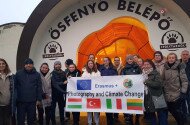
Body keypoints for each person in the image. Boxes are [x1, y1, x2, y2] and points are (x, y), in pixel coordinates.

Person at [163, 53, 188, 125]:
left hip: (177, 93)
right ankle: (182, 121)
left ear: (175, 59)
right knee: (171, 110)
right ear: (167, 59)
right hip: (168, 94)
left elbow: (184, 81)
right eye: (169, 58)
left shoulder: (180, 67)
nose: (171, 59)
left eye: (172, 58)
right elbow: (163, 79)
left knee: (177, 111)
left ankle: (182, 122)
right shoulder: (165, 68)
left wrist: (183, 92)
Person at [15, 58, 42, 125]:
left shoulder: (37, 74)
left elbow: (39, 87)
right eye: (27, 64)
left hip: (32, 102)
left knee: (31, 120)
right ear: (24, 65)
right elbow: (15, 87)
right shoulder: (18, 73)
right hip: (21, 101)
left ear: (32, 65)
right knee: (20, 120)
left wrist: (39, 99)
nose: (28, 65)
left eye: (30, 64)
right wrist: (15, 99)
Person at [143, 59, 168, 125]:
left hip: (156, 96)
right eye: (145, 64)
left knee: (161, 114)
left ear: (151, 65)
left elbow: (158, 84)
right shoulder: (142, 74)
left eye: (148, 64)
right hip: (147, 97)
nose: (146, 66)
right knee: (151, 114)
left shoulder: (155, 73)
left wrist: (146, 81)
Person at [121, 54, 142, 125]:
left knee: (136, 105)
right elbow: (121, 79)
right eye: (128, 59)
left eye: (131, 59)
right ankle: (129, 119)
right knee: (128, 105)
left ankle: (137, 118)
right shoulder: (124, 69)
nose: (130, 60)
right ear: (126, 60)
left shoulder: (137, 68)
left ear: (133, 60)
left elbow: (141, 77)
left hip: (136, 91)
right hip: (128, 91)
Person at [82, 60, 101, 125]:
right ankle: (89, 122)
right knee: (89, 109)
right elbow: (81, 81)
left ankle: (97, 122)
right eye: (89, 63)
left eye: (91, 63)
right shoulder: (84, 72)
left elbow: (100, 80)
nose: (90, 64)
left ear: (93, 64)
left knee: (96, 109)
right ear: (87, 64)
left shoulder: (97, 72)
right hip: (88, 93)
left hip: (96, 93)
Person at [99, 57, 118, 125]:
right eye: (104, 61)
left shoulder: (113, 69)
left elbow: (117, 79)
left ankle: (113, 120)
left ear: (109, 61)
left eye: (106, 60)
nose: (105, 62)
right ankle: (109, 122)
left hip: (112, 91)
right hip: (104, 91)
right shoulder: (100, 69)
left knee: (112, 106)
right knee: (107, 106)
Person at [51, 61, 67, 125]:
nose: (57, 65)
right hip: (54, 94)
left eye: (59, 64)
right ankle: (53, 122)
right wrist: (62, 83)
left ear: (61, 65)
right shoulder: (52, 73)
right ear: (54, 66)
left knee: (61, 108)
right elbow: (54, 83)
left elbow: (66, 81)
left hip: (61, 94)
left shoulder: (63, 73)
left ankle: (62, 121)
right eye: (56, 64)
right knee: (53, 109)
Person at [0, 58, 15, 125]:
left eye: (3, 63)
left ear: (6, 65)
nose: (1, 65)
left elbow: (14, 89)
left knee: (7, 122)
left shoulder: (11, 76)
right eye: (0, 64)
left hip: (8, 104)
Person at [180, 50, 190, 118]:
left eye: (186, 54)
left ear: (189, 56)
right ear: (181, 56)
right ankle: (184, 117)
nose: (185, 56)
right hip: (182, 88)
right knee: (182, 104)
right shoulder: (178, 64)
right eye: (183, 54)